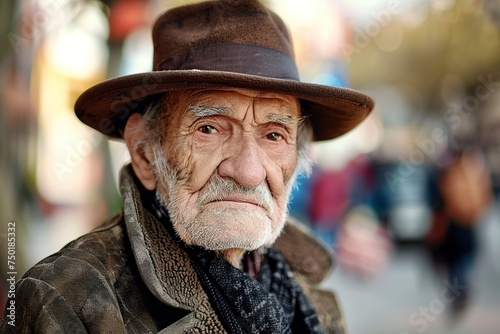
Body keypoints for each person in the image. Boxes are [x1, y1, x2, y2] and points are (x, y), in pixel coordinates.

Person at [1, 0, 373, 332]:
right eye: (209, 128)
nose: (248, 171)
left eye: (274, 135)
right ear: (146, 153)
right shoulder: (67, 298)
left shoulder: (306, 292)